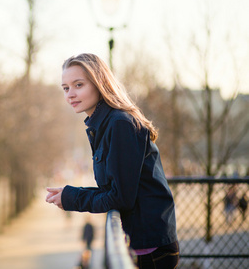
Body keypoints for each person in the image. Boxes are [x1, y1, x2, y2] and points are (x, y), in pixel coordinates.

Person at [45, 53, 179, 269]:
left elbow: (120, 198)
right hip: (140, 243)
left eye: (78, 85)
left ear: (99, 83)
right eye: (66, 88)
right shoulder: (104, 125)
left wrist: (73, 199)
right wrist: (68, 194)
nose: (70, 94)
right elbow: (114, 190)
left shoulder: (119, 124)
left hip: (150, 248)